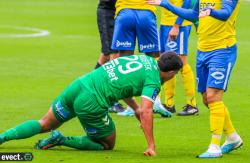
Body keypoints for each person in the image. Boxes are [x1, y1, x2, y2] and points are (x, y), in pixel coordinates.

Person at [0, 52, 183, 156]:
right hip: (91, 101)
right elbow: (147, 112)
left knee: (44, 123)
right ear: (172, 72)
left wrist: (134, 108)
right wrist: (151, 145)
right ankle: (61, 139)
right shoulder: (154, 81)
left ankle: (3, 137)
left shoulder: (144, 59)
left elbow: (124, 85)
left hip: (78, 86)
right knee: (107, 145)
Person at [147, 0, 243, 158]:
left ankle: (214, 146)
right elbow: (193, 14)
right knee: (206, 99)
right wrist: (166, 4)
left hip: (222, 50)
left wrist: (212, 12)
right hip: (202, 50)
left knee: (213, 96)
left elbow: (225, 13)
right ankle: (232, 137)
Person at [159, 0, 198, 116]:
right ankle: (169, 104)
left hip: (178, 24)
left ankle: (192, 105)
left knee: (182, 63)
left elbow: (187, 2)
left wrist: (177, 25)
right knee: (166, 63)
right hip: (165, 23)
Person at [96, 0, 126, 113]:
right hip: (107, 13)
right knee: (112, 53)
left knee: (106, 55)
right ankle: (112, 101)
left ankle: (92, 89)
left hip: (118, 14)